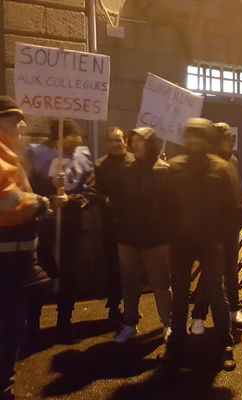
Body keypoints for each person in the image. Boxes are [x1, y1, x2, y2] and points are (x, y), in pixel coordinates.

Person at [165, 118, 236, 372]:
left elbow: (233, 207)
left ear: (207, 139)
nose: (193, 140)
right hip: (181, 243)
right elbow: (164, 206)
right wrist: (170, 234)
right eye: (190, 135)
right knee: (180, 295)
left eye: (199, 135)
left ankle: (225, 344)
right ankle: (176, 345)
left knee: (217, 293)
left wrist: (221, 238)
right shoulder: (175, 167)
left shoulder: (221, 168)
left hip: (210, 242)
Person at [0, 96, 49, 400]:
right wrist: (38, 202)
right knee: (7, 325)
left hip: (12, 258)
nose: (22, 126)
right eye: (15, 119)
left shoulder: (9, 154)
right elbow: (6, 201)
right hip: (7, 261)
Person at [28, 119, 90, 342]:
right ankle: (32, 325)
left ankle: (64, 321)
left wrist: (70, 199)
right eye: (72, 139)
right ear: (59, 139)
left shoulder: (83, 158)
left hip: (70, 226)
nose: (77, 143)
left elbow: (88, 194)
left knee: (69, 275)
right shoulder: (35, 157)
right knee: (38, 276)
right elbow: (27, 188)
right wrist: (47, 197)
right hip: (44, 226)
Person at [111, 127, 172, 344]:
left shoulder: (164, 170)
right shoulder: (125, 169)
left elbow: (172, 206)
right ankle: (130, 324)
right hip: (128, 236)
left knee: (160, 283)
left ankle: (168, 323)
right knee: (129, 283)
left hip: (155, 238)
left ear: (151, 143)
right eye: (133, 140)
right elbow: (117, 200)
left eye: (140, 140)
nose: (134, 144)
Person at [190, 122, 242, 334]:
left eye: (232, 138)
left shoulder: (233, 161)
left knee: (231, 269)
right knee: (209, 273)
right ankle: (198, 316)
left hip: (230, 227)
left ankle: (234, 309)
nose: (231, 141)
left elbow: (238, 189)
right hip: (210, 229)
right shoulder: (206, 161)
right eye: (227, 137)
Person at [87, 127, 134, 328]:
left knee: (132, 268)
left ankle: (132, 306)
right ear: (107, 143)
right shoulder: (100, 165)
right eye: (112, 140)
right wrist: (103, 199)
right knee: (113, 267)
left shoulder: (135, 163)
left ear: (125, 142)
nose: (116, 144)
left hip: (133, 224)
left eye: (119, 140)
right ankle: (114, 306)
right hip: (110, 225)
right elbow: (91, 190)